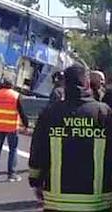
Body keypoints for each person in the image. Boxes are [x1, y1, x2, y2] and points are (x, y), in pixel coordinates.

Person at [29, 64, 112, 211]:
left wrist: (35, 180)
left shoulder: (50, 113)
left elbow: (38, 149)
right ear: (86, 83)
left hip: (57, 202)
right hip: (98, 201)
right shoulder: (104, 113)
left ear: (64, 84)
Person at [0, 79, 29, 182]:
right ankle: (11, 174)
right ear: (12, 85)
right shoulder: (15, 95)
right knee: (13, 150)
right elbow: (21, 112)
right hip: (12, 127)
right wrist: (26, 125)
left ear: (3, 85)